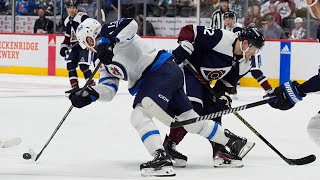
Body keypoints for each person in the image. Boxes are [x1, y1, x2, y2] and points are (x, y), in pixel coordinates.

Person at [71, 17, 254, 176]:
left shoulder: (111, 31)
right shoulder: (102, 61)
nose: (91, 47)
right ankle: (234, 142)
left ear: (93, 33)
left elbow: (132, 24)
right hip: (167, 73)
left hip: (158, 71)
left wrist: (105, 41)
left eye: (90, 41)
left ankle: (160, 158)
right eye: (87, 45)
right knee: (190, 121)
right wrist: (91, 95)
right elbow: (109, 90)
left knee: (139, 115)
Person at [163, 25, 263, 168]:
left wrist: (221, 96)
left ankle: (219, 150)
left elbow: (223, 85)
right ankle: (170, 145)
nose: (255, 53)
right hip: (187, 72)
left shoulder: (245, 64)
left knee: (217, 107)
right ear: (246, 43)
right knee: (192, 110)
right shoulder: (222, 38)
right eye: (256, 48)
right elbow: (189, 30)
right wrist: (185, 44)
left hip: (204, 82)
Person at [223, 11, 272, 99]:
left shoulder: (236, 28)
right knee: (234, 70)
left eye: (230, 19)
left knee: (255, 70)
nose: (227, 22)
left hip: (251, 51)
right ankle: (232, 91)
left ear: (234, 20)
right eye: (225, 19)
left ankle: (269, 90)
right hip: (245, 52)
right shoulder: (228, 29)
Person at [59, 0, 95, 92]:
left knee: (83, 66)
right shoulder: (67, 21)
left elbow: (90, 25)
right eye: (70, 8)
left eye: (74, 8)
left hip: (84, 46)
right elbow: (68, 37)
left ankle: (91, 86)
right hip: (75, 47)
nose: (72, 10)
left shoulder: (82, 16)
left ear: (76, 9)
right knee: (70, 65)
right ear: (67, 9)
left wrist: (86, 37)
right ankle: (75, 87)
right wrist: (63, 47)